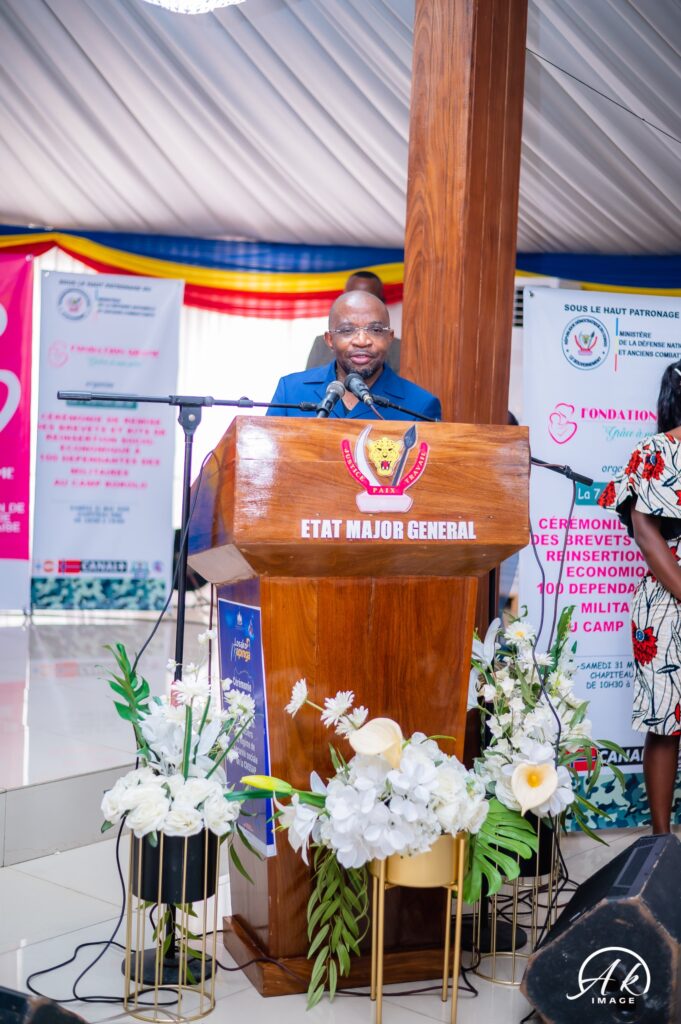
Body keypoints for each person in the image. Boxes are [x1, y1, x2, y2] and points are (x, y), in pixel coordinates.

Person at [598, 360, 681, 833]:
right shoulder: (655, 450)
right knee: (666, 721)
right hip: (668, 599)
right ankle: (661, 842)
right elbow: (645, 532)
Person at [268, 289, 440, 421]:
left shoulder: (420, 405)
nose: (362, 341)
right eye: (347, 330)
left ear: (389, 338)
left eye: (375, 330)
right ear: (329, 339)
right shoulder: (290, 390)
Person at [306, 271, 402, 372]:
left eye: (368, 298)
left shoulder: (399, 348)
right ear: (329, 339)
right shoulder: (322, 344)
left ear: (382, 302)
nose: (361, 341)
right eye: (353, 297)